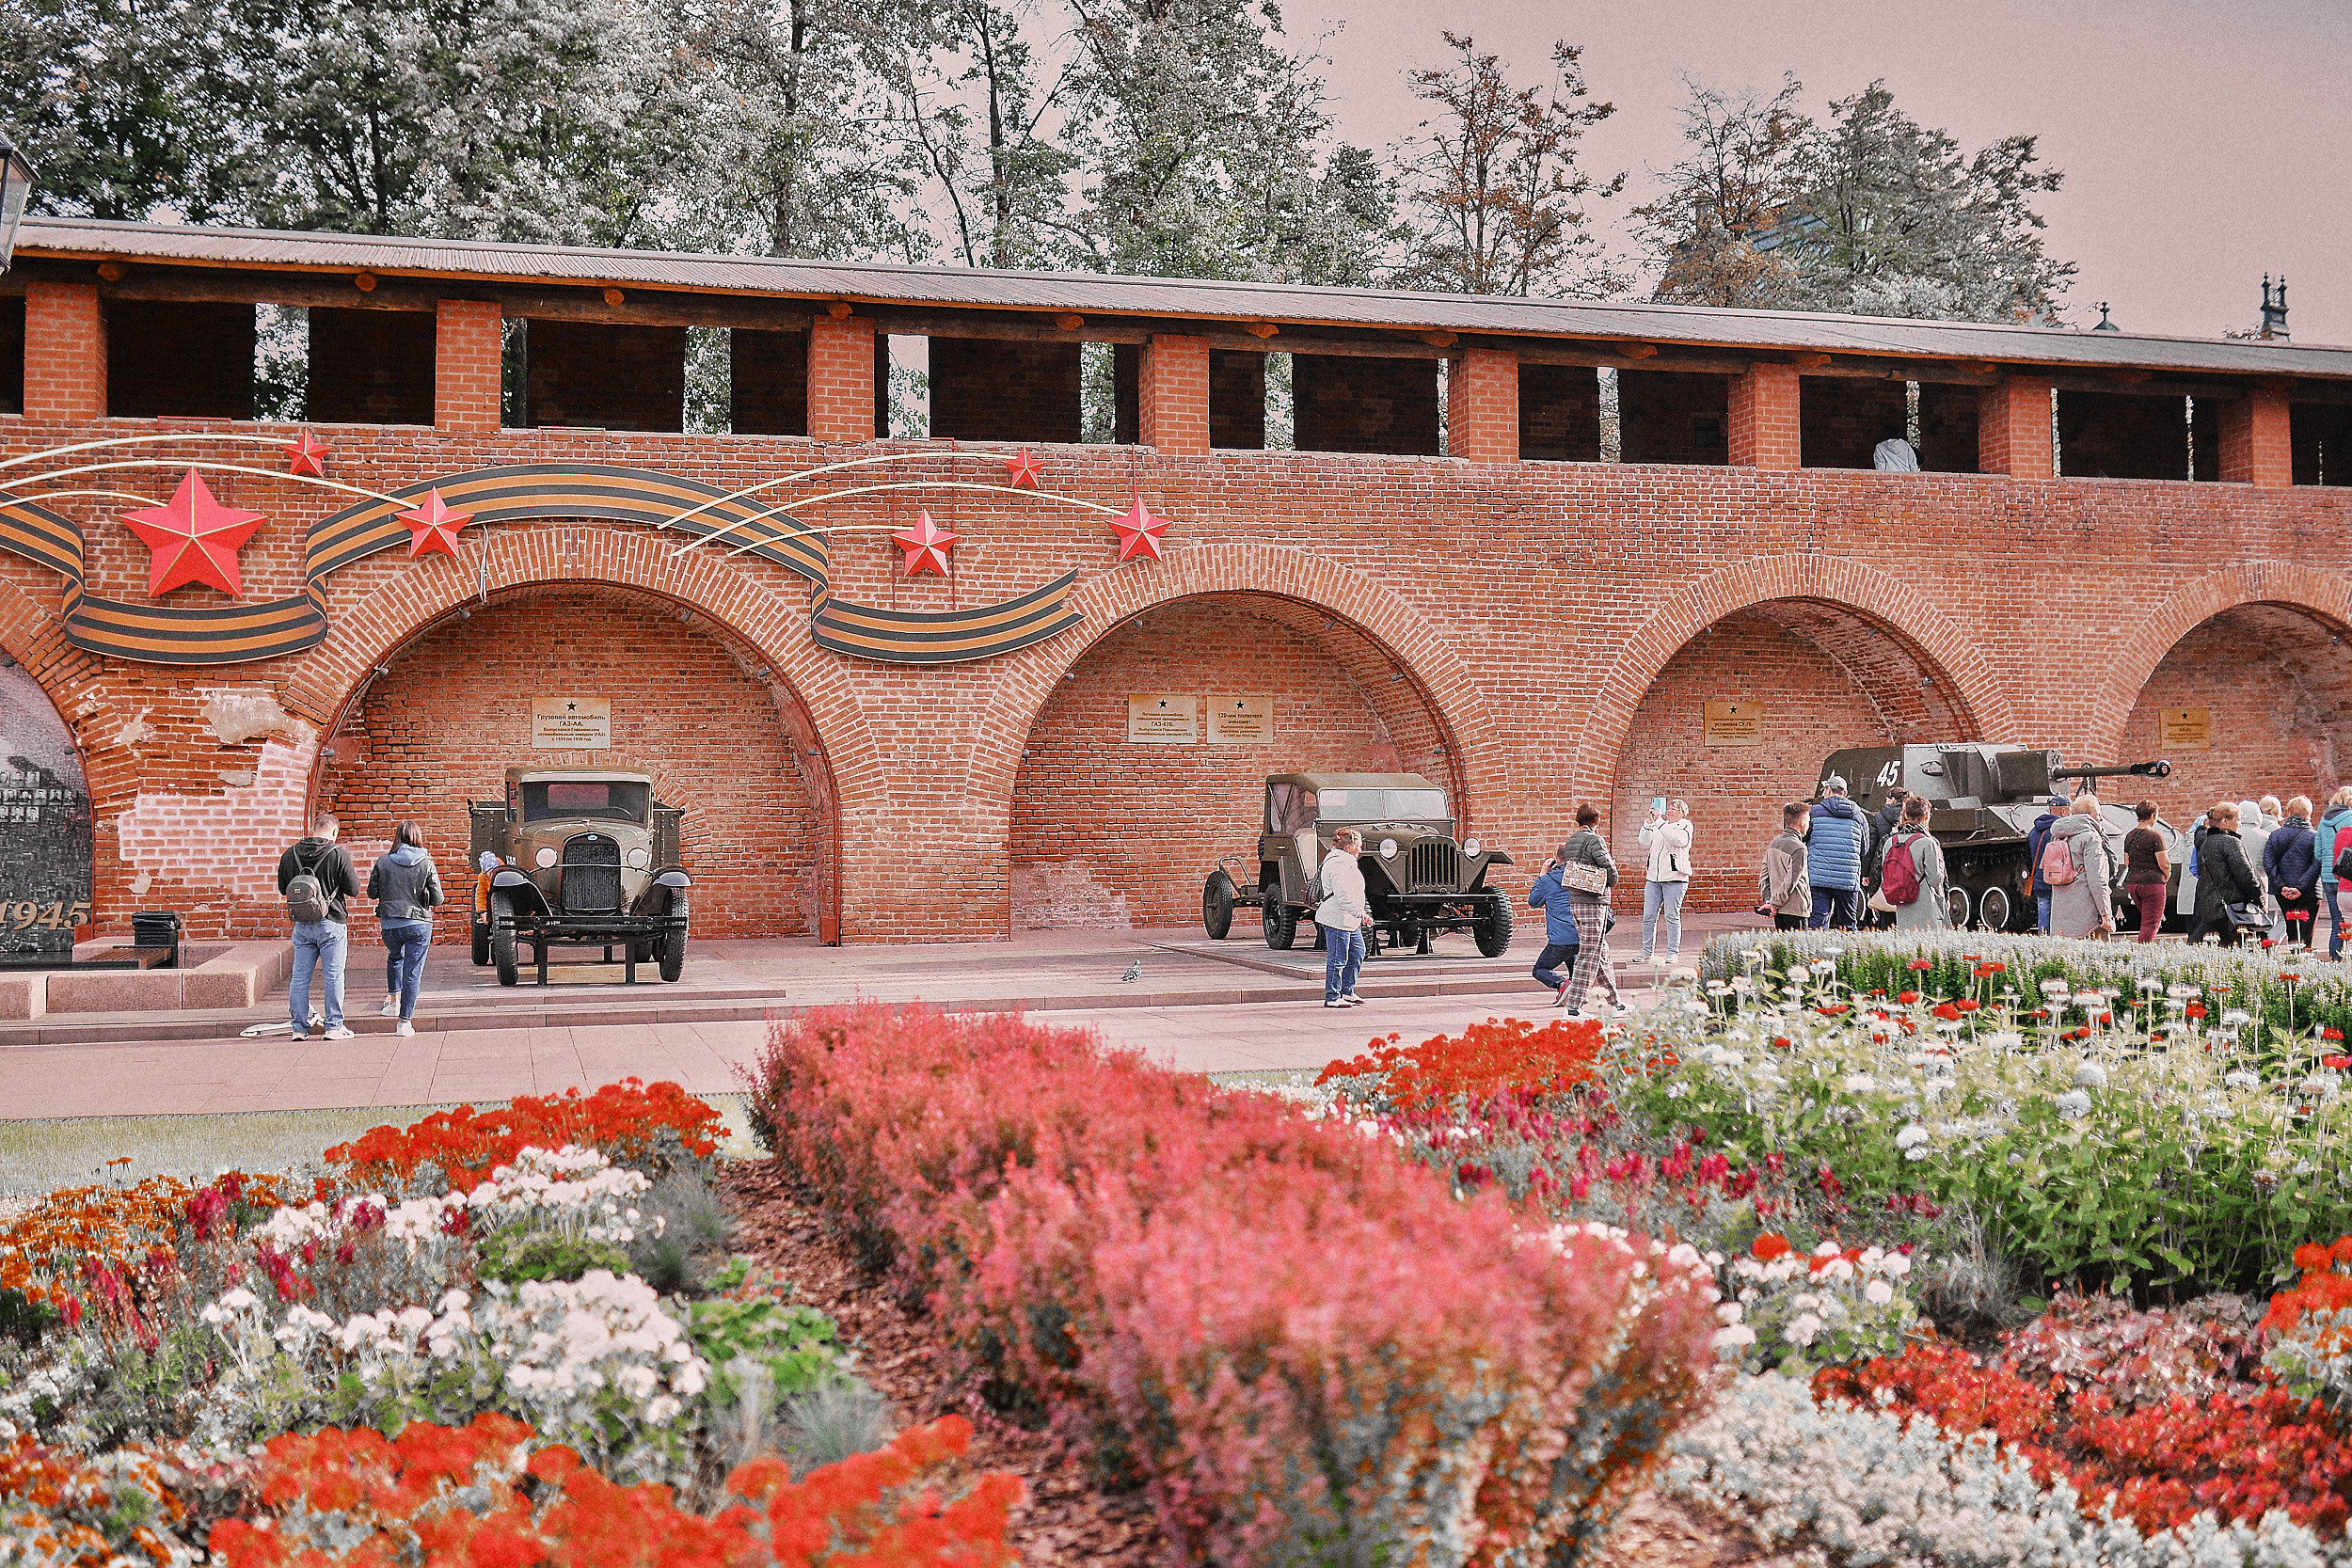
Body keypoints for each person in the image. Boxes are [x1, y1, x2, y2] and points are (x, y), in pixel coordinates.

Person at [277, 812, 360, 1041]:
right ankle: (333, 1026)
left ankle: (299, 1028)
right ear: (334, 832)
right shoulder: (337, 854)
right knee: (333, 975)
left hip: (302, 925)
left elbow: (284, 889)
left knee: (300, 977)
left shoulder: (290, 854)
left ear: (313, 829)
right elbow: (353, 889)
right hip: (331, 923)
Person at [368, 821, 444, 1037]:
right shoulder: (426, 863)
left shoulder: (383, 861)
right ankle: (404, 1023)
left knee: (394, 957)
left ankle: (393, 1003)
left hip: (390, 924)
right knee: (412, 972)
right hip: (418, 924)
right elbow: (438, 899)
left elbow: (372, 892)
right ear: (417, 838)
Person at [1553, 802, 1623, 1017]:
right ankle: (1574, 1006)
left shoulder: (1572, 840)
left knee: (1599, 952)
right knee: (1589, 954)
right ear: (1596, 821)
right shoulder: (1595, 839)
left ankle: (1615, 1003)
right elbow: (1608, 867)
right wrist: (1613, 880)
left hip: (1576, 900)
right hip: (1593, 901)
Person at [1316, 827, 1372, 1008]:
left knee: (1357, 952)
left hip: (1348, 918)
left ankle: (1347, 990)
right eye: (1359, 845)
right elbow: (1343, 895)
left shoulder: (1345, 862)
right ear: (1349, 846)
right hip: (1337, 917)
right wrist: (1361, 913)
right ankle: (1332, 996)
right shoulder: (1338, 864)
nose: (1361, 850)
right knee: (1338, 957)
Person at [2047, 795, 2115, 940]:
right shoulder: (2091, 838)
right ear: (2088, 816)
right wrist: (2105, 913)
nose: (2101, 819)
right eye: (2098, 814)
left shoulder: (2059, 836)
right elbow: (2097, 879)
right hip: (2088, 918)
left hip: (2061, 916)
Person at [2196, 801, 2261, 948]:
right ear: (2225, 821)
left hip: (2211, 907)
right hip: (2232, 908)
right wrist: (2258, 898)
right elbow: (2245, 875)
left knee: (2224, 948)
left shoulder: (2206, 842)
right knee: (2243, 948)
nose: (2239, 824)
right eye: (2237, 820)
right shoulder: (2231, 842)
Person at [1637, 798, 1693, 965]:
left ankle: (1672, 952)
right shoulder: (1658, 824)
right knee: (1648, 916)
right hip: (1653, 878)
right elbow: (1643, 841)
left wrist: (1660, 822)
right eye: (1668, 808)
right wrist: (1648, 823)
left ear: (1682, 812)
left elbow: (1678, 840)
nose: (1669, 811)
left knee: (1672, 916)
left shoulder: (1685, 825)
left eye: (1674, 809)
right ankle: (1647, 952)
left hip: (1675, 878)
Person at [1804, 776, 1865, 930]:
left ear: (1828, 790)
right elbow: (1864, 849)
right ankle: (1848, 954)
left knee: (1818, 924)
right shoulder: (1859, 816)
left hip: (1819, 878)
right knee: (1849, 926)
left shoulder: (1814, 812)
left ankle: (1818, 954)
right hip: (1848, 879)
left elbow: (1804, 839)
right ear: (1844, 793)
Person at [1528, 843, 1581, 1005]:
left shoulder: (1548, 880)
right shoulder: (1580, 877)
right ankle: (1576, 993)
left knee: (1540, 970)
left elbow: (1533, 901)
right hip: (1582, 935)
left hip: (1560, 939)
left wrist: (1543, 874)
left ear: (1556, 859)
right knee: (1571, 957)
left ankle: (1561, 984)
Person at [1885, 796, 1949, 931]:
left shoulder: (1890, 842)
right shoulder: (1928, 843)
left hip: (1902, 905)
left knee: (1907, 948)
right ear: (1926, 816)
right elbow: (1935, 880)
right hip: (1925, 905)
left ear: (1905, 815)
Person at [2265, 796, 2320, 952]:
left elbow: (2269, 863)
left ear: (2288, 812)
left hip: (2282, 892)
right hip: (2309, 891)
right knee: (2307, 932)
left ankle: (2294, 958)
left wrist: (2282, 886)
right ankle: (2303, 962)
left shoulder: (2275, 835)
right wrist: (2301, 887)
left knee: (2292, 929)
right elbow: (2316, 865)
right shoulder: (2314, 837)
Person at [2121, 801, 2171, 943]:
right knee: (2151, 923)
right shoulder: (2155, 836)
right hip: (2153, 883)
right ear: (2153, 815)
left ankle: (2144, 947)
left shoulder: (2129, 836)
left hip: (2134, 884)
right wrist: (2165, 877)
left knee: (2146, 919)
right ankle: (2144, 952)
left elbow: (2127, 862)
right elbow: (2164, 863)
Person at [1756, 801, 1812, 930]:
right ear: (1802, 821)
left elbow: (1764, 877)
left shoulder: (1774, 844)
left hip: (1778, 910)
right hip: (1795, 909)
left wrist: (1769, 902)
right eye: (1808, 821)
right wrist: (1775, 904)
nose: (1809, 825)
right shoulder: (1799, 848)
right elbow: (1791, 881)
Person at [2318, 786, 2352, 959]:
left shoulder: (2324, 821)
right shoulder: (2351, 819)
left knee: (2337, 924)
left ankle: (2335, 961)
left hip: (2328, 876)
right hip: (2348, 878)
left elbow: (2317, 853)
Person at [2026, 794, 2067, 935]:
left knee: (2043, 909)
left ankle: (2043, 938)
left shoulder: (2033, 832)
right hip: (2058, 879)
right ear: (2063, 811)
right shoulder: (2060, 831)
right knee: (2059, 912)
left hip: (2039, 878)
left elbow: (2027, 857)